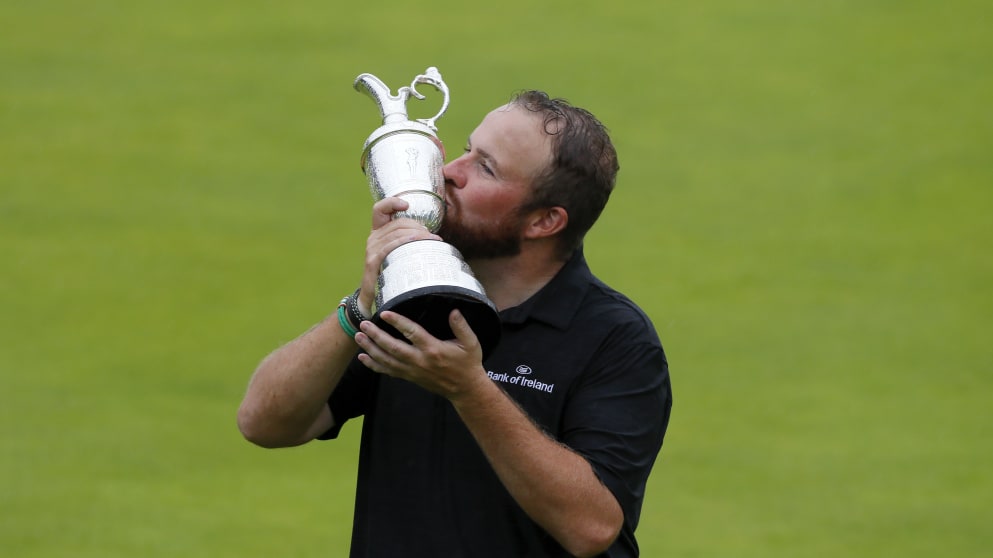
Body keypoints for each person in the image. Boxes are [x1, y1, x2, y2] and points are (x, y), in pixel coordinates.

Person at [237, 90, 673, 557]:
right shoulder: (414, 301)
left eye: (485, 167)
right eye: (467, 149)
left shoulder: (616, 339)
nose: (449, 171)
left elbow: (591, 527)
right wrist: (360, 307)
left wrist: (468, 389)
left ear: (545, 221)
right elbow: (264, 424)